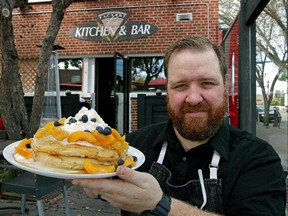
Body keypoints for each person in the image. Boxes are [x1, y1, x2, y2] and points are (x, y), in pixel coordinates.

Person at [72, 36, 286, 215]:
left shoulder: (257, 159)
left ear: (225, 87)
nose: (193, 98)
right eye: (181, 85)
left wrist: (160, 205)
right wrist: (95, 185)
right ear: (168, 90)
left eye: (207, 83)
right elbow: (99, 183)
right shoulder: (133, 147)